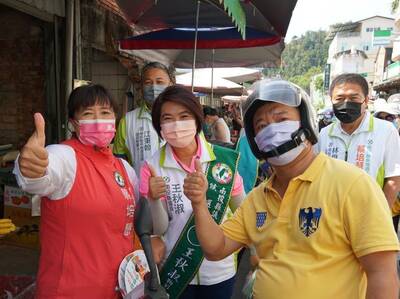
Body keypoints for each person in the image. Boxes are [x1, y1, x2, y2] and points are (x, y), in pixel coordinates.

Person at [183, 79, 399, 299]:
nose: (271, 130)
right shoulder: (258, 198)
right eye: (261, 126)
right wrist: (199, 203)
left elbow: (382, 273)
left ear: (305, 122)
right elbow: (216, 248)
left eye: (281, 119)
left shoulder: (352, 184)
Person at [13, 85, 141, 298]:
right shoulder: (65, 156)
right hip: (71, 291)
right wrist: (29, 167)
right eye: (88, 114)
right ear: (74, 123)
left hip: (118, 289)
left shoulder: (124, 169)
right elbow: (41, 174)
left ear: (115, 120)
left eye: (105, 112)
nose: (99, 120)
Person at [139, 86, 246, 299]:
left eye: (184, 116)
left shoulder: (223, 161)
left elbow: (244, 212)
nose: (176, 125)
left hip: (220, 271)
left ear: (197, 119)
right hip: (176, 268)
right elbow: (158, 228)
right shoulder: (151, 167)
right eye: (167, 118)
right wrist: (152, 199)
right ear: (159, 126)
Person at [318, 73, 400, 208]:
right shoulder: (325, 134)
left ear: (366, 101)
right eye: (339, 98)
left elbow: (394, 178)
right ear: (331, 100)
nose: (346, 103)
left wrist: (381, 214)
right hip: (331, 214)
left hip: (368, 214)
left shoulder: (386, 131)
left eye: (353, 98)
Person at [113, 62, 175, 174]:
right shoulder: (127, 121)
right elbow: (119, 161)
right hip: (141, 189)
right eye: (148, 83)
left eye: (160, 82)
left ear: (170, 84)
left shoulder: (185, 118)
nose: (154, 87)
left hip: (179, 189)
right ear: (141, 87)